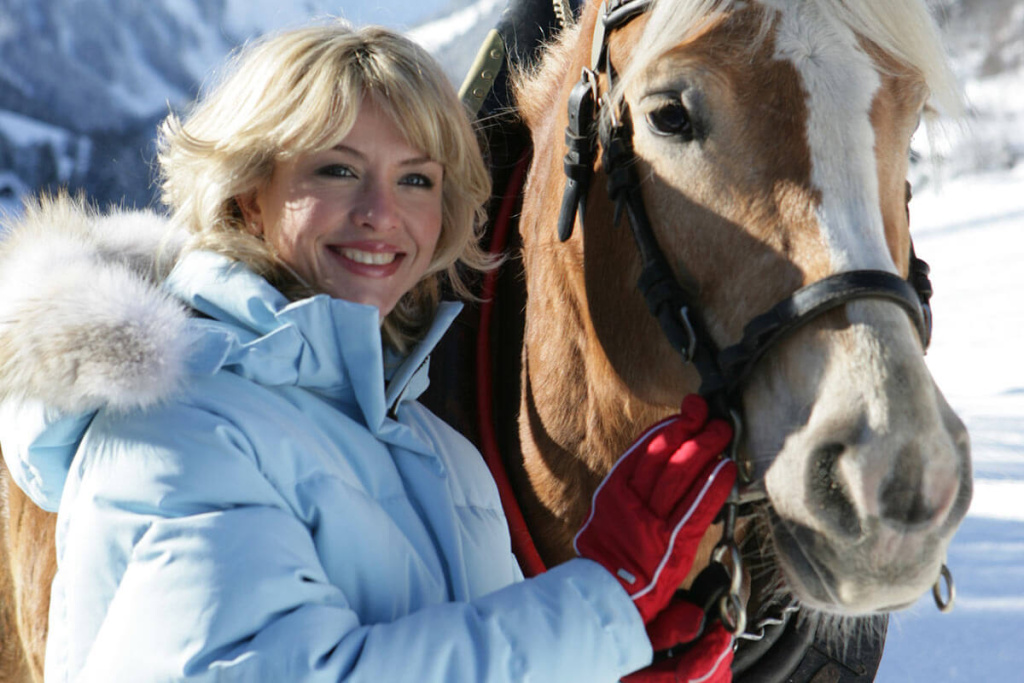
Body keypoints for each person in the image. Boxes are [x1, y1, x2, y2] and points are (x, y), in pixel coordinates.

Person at [0, 22, 736, 682]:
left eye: (416, 179)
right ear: (247, 195)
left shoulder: (438, 455)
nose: (381, 215)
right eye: (337, 170)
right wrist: (602, 603)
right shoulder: (181, 422)